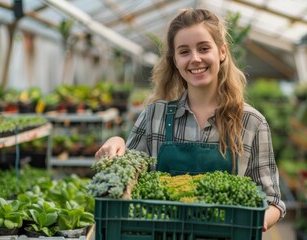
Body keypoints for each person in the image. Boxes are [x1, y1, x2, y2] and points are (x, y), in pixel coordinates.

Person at [95, 8, 285, 231]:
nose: (195, 59)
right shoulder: (154, 115)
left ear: (222, 52)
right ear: (175, 60)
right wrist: (117, 141)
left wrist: (258, 219)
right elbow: (128, 177)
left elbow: (273, 201)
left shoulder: (252, 123)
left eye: (204, 48)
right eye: (184, 52)